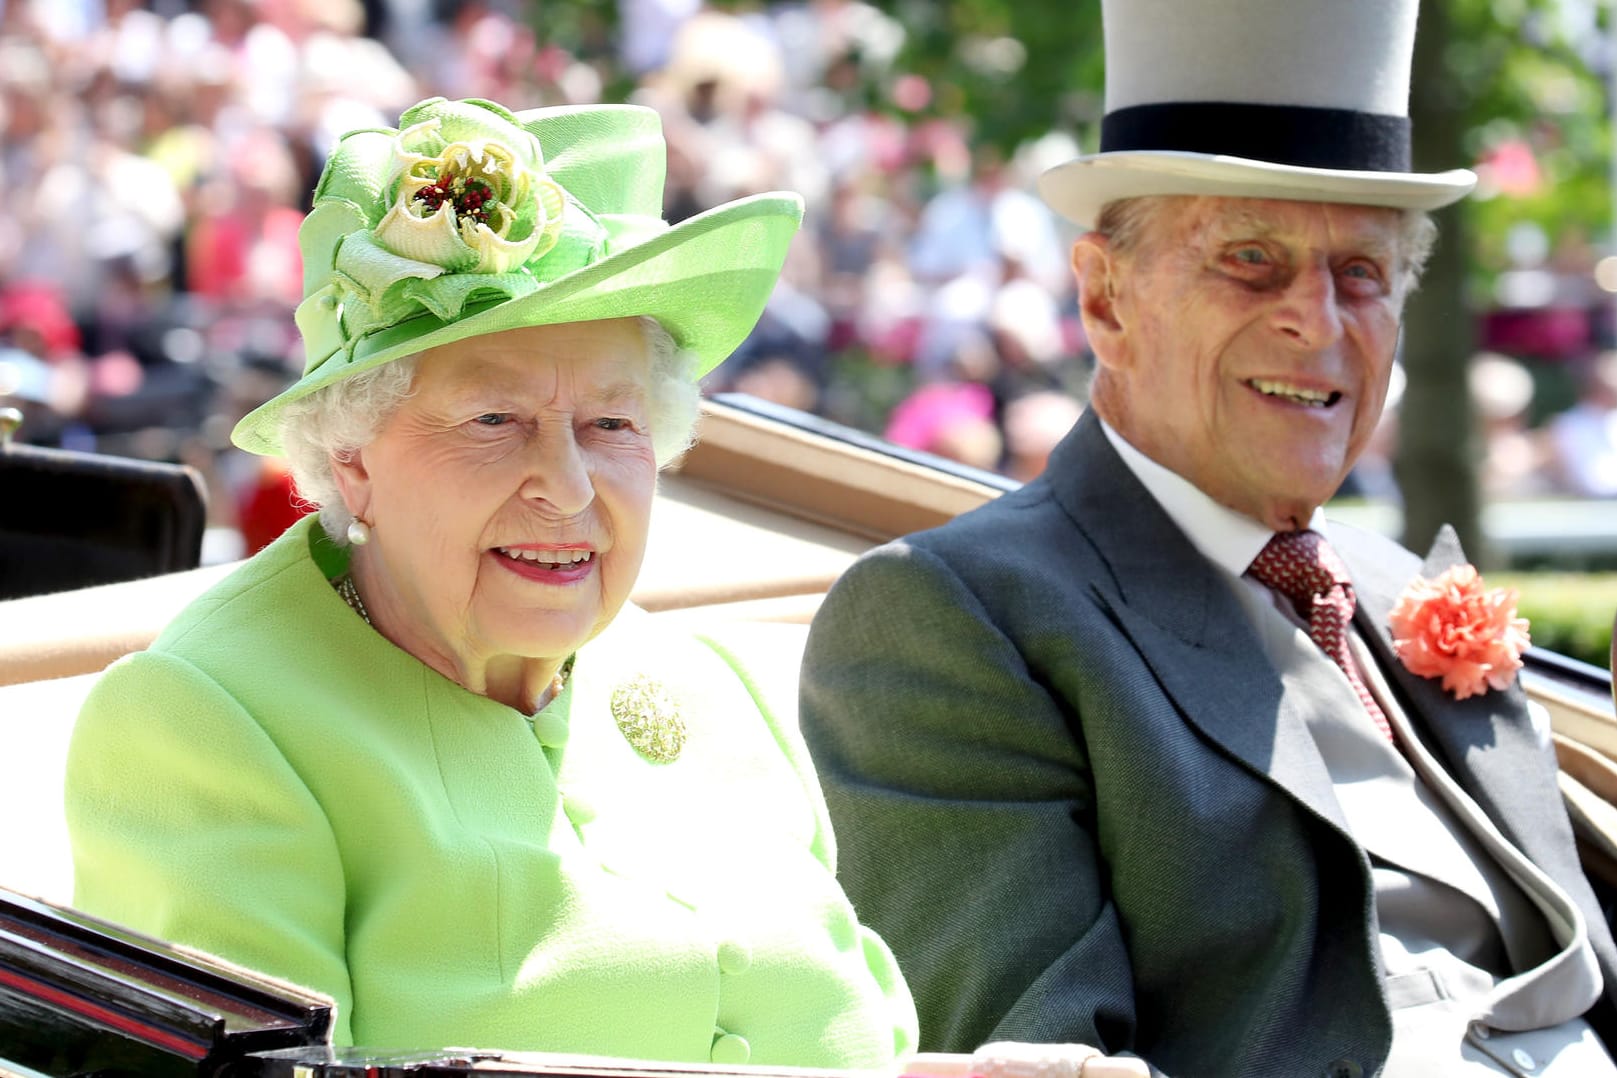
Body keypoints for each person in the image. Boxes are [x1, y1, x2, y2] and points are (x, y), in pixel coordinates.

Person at [800, 2, 1617, 1075]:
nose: (1319, 323)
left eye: (1361, 274)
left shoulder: (1392, 585)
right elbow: (1035, 1055)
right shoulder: (953, 614)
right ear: (1105, 301)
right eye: (1251, 260)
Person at [65, 95, 917, 1061]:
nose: (566, 487)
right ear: (353, 461)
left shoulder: (711, 684)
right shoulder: (206, 725)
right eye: (492, 422)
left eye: (611, 425)